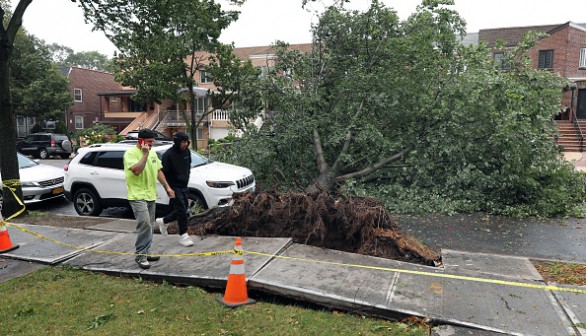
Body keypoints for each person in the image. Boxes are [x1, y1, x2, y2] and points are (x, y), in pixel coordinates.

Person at [124, 128, 175, 269]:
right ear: (141, 141)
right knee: (145, 223)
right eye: (149, 142)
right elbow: (136, 170)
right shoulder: (130, 154)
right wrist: (145, 155)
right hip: (136, 195)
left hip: (150, 194)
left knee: (150, 225)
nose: (152, 145)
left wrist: (168, 188)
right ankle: (140, 256)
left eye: (153, 142)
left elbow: (158, 171)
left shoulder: (152, 153)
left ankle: (146, 252)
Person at [156, 131, 195, 247]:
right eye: (183, 142)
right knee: (182, 211)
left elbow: (187, 168)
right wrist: (168, 188)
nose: (185, 144)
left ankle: (163, 221)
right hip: (173, 186)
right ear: (177, 142)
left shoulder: (187, 152)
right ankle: (184, 235)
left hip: (183, 186)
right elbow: (164, 173)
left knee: (182, 209)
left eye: (186, 142)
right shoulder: (168, 155)